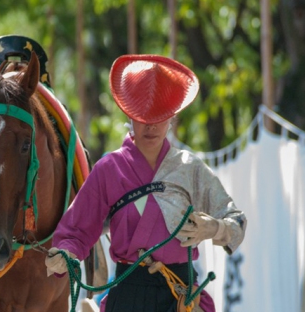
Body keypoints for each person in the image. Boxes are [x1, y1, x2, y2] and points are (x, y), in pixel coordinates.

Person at [44, 54, 247, 312]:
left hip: (181, 297)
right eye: (142, 117)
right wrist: (66, 255)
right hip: (128, 295)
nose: (150, 127)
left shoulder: (189, 168)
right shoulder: (109, 169)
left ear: (172, 117)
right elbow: (76, 231)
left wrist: (215, 228)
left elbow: (236, 221)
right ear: (129, 115)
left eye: (159, 117)